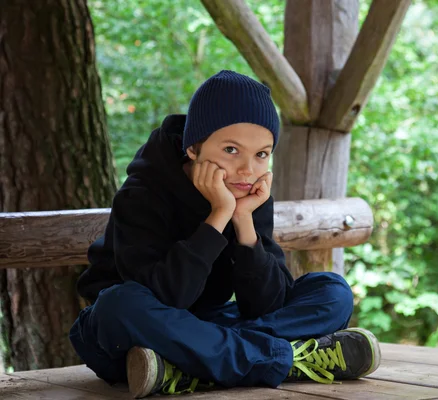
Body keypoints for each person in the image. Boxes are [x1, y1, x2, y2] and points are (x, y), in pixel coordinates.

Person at [69, 70, 381, 398]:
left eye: (261, 154)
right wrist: (219, 215)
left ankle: (192, 367)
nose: (248, 169)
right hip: (132, 335)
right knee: (119, 304)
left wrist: (244, 220)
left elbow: (267, 305)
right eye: (232, 150)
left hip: (204, 329)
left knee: (333, 292)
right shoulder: (142, 194)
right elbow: (167, 298)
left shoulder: (248, 192)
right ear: (194, 147)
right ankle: (280, 360)